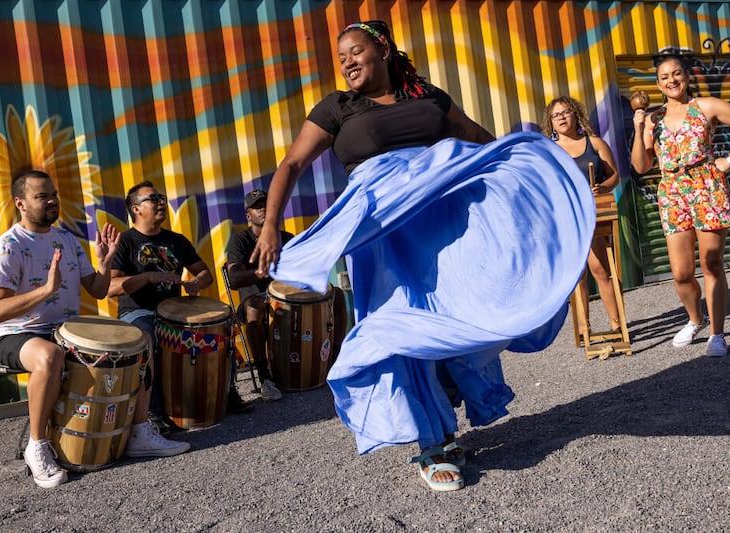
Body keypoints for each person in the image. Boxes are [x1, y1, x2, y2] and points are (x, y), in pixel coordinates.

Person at [249, 20, 594, 492]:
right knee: (399, 325)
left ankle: (445, 414)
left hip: (442, 228)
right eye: (341, 56)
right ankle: (432, 444)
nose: (347, 61)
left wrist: (512, 176)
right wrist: (270, 224)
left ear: (383, 49)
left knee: (457, 316)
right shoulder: (338, 108)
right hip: (383, 237)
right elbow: (290, 164)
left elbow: (477, 136)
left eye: (356, 51)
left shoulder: (427, 95)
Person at [0, 170, 190, 489]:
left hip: (63, 331)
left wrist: (105, 264)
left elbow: (96, 289)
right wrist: (45, 290)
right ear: (20, 203)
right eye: (42, 196)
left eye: (53, 194)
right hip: (17, 335)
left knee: (141, 341)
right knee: (49, 356)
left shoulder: (66, 240)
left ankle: (138, 432)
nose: (52, 200)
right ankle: (37, 446)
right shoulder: (9, 246)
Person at [631, 54, 730, 357]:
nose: (671, 80)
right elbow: (640, 166)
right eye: (664, 77)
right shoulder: (654, 119)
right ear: (658, 84)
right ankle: (695, 320)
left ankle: (717, 333)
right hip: (672, 194)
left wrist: (728, 161)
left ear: (686, 77)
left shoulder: (706, 106)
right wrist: (639, 130)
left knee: (712, 263)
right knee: (680, 272)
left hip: (707, 188)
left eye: (676, 74)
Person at [109, 181, 253, 429]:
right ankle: (153, 411)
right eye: (152, 199)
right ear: (136, 209)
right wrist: (146, 277)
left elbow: (204, 273)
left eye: (161, 197)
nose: (160, 202)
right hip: (137, 312)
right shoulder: (125, 242)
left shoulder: (176, 240)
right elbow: (110, 288)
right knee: (149, 337)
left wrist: (196, 282)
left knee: (222, 326)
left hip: (175, 311)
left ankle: (226, 392)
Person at [542, 96, 622, 337]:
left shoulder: (595, 143)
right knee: (578, 275)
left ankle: (617, 325)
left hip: (595, 214)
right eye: (556, 115)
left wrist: (603, 188)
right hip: (568, 218)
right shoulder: (550, 151)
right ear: (551, 122)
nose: (562, 118)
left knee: (600, 270)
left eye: (566, 112)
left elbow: (614, 175)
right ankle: (584, 329)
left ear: (576, 114)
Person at [226, 189, 294, 401]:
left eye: (267, 204)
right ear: (249, 215)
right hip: (254, 301)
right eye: (257, 207)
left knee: (335, 295)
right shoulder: (241, 241)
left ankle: (329, 362)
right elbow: (234, 279)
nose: (263, 209)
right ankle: (265, 378)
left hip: (286, 298)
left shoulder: (286, 238)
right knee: (255, 307)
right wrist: (260, 272)